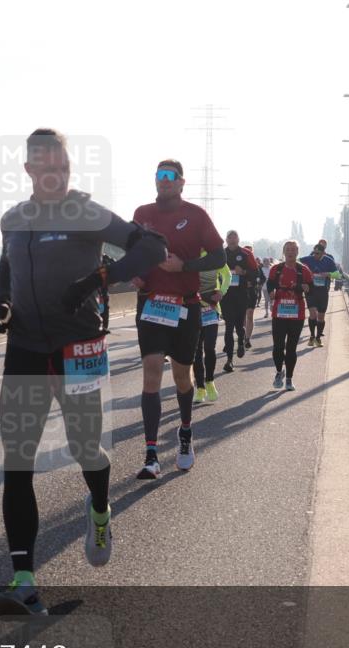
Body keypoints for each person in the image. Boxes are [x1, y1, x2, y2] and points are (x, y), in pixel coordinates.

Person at [0, 129, 167, 615]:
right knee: (17, 460)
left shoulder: (85, 213)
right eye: (47, 168)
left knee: (86, 448)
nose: (57, 176)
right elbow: (8, 269)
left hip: (78, 347)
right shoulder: (13, 219)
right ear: (28, 171)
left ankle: (100, 507)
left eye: (64, 167)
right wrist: (0, 303)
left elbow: (152, 247)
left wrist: (98, 278)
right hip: (24, 347)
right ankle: (23, 580)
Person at [131, 159, 226, 480]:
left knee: (182, 377)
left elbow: (218, 255)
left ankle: (185, 434)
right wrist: (135, 275)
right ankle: (151, 454)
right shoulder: (142, 214)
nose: (164, 181)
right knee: (152, 372)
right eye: (159, 175)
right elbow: (133, 254)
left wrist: (183, 267)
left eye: (170, 176)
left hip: (186, 307)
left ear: (182, 182)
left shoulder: (196, 215)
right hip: (152, 306)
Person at [266, 240, 312, 391]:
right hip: (279, 314)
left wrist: (307, 288)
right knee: (278, 347)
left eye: (293, 249)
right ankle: (279, 372)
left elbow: (311, 287)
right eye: (288, 249)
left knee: (291, 349)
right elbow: (270, 284)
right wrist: (271, 292)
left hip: (296, 315)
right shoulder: (276, 269)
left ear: (297, 252)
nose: (290, 252)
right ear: (284, 252)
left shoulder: (303, 270)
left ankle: (289, 379)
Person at [192, 250, 232, 405]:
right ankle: (200, 387)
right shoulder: (190, 253)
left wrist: (221, 292)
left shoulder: (215, 255)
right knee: (196, 350)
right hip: (193, 306)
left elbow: (227, 275)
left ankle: (209, 381)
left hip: (211, 307)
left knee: (209, 347)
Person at [220, 231, 257, 372]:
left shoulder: (246, 254)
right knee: (229, 327)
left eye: (234, 238)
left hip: (241, 294)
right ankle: (229, 360)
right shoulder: (221, 254)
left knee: (239, 325)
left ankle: (241, 340)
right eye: (230, 238)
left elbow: (256, 273)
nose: (232, 240)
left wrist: (244, 273)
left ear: (238, 239)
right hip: (226, 295)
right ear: (226, 240)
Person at [300, 242, 340, 347]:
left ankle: (318, 338)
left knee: (321, 316)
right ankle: (312, 336)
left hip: (323, 291)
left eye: (318, 253)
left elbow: (338, 274)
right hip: (311, 291)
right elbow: (296, 263)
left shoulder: (328, 260)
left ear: (323, 253)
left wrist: (328, 274)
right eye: (314, 253)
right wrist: (305, 277)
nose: (315, 255)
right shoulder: (308, 259)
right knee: (313, 314)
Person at [242, 245, 260, 350]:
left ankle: (247, 338)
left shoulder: (255, 266)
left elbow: (260, 277)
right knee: (242, 317)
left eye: (250, 252)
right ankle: (243, 333)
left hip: (251, 292)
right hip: (240, 293)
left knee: (249, 315)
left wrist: (254, 283)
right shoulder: (237, 263)